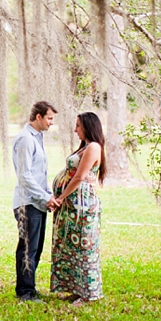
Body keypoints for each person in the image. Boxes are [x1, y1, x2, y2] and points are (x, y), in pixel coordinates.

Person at [50, 112, 106, 306]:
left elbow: (80, 177)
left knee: (84, 247)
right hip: (72, 206)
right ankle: (75, 289)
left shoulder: (93, 147)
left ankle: (89, 293)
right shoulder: (85, 147)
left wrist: (60, 197)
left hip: (82, 205)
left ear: (89, 126)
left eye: (78, 126)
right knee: (71, 246)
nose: (75, 130)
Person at [12, 101, 58, 303]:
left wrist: (48, 196)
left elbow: (40, 174)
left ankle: (29, 287)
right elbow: (25, 176)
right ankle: (24, 292)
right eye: (49, 118)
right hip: (27, 202)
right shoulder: (25, 139)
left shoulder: (37, 139)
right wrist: (46, 197)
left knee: (36, 248)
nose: (51, 123)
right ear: (38, 117)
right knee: (27, 248)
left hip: (37, 202)